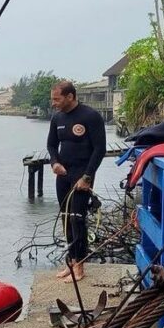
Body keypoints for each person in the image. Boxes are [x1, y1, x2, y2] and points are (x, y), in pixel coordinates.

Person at [46, 80, 106, 283]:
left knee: (77, 218)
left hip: (82, 175)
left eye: (57, 99)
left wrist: (88, 177)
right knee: (65, 218)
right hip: (63, 174)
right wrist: (54, 163)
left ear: (70, 96)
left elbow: (100, 149)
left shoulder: (90, 116)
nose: (53, 103)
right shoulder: (57, 118)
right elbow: (52, 145)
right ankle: (71, 262)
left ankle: (80, 265)